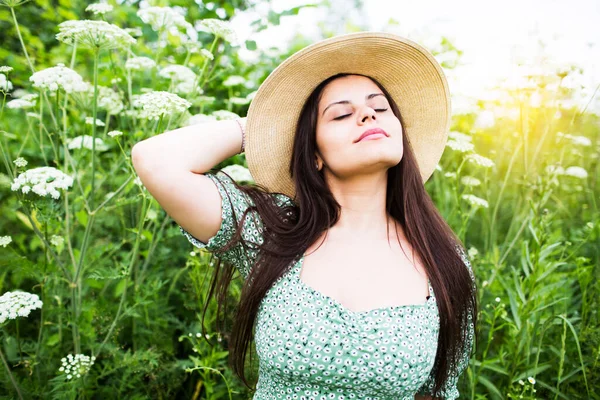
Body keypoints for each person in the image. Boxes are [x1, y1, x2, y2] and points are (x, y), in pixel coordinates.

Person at [132, 31, 478, 400]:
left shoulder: (443, 261)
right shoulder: (272, 232)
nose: (366, 114)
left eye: (380, 109)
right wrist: (265, 127)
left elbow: (437, 393)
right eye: (342, 114)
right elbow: (156, 161)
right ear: (314, 153)